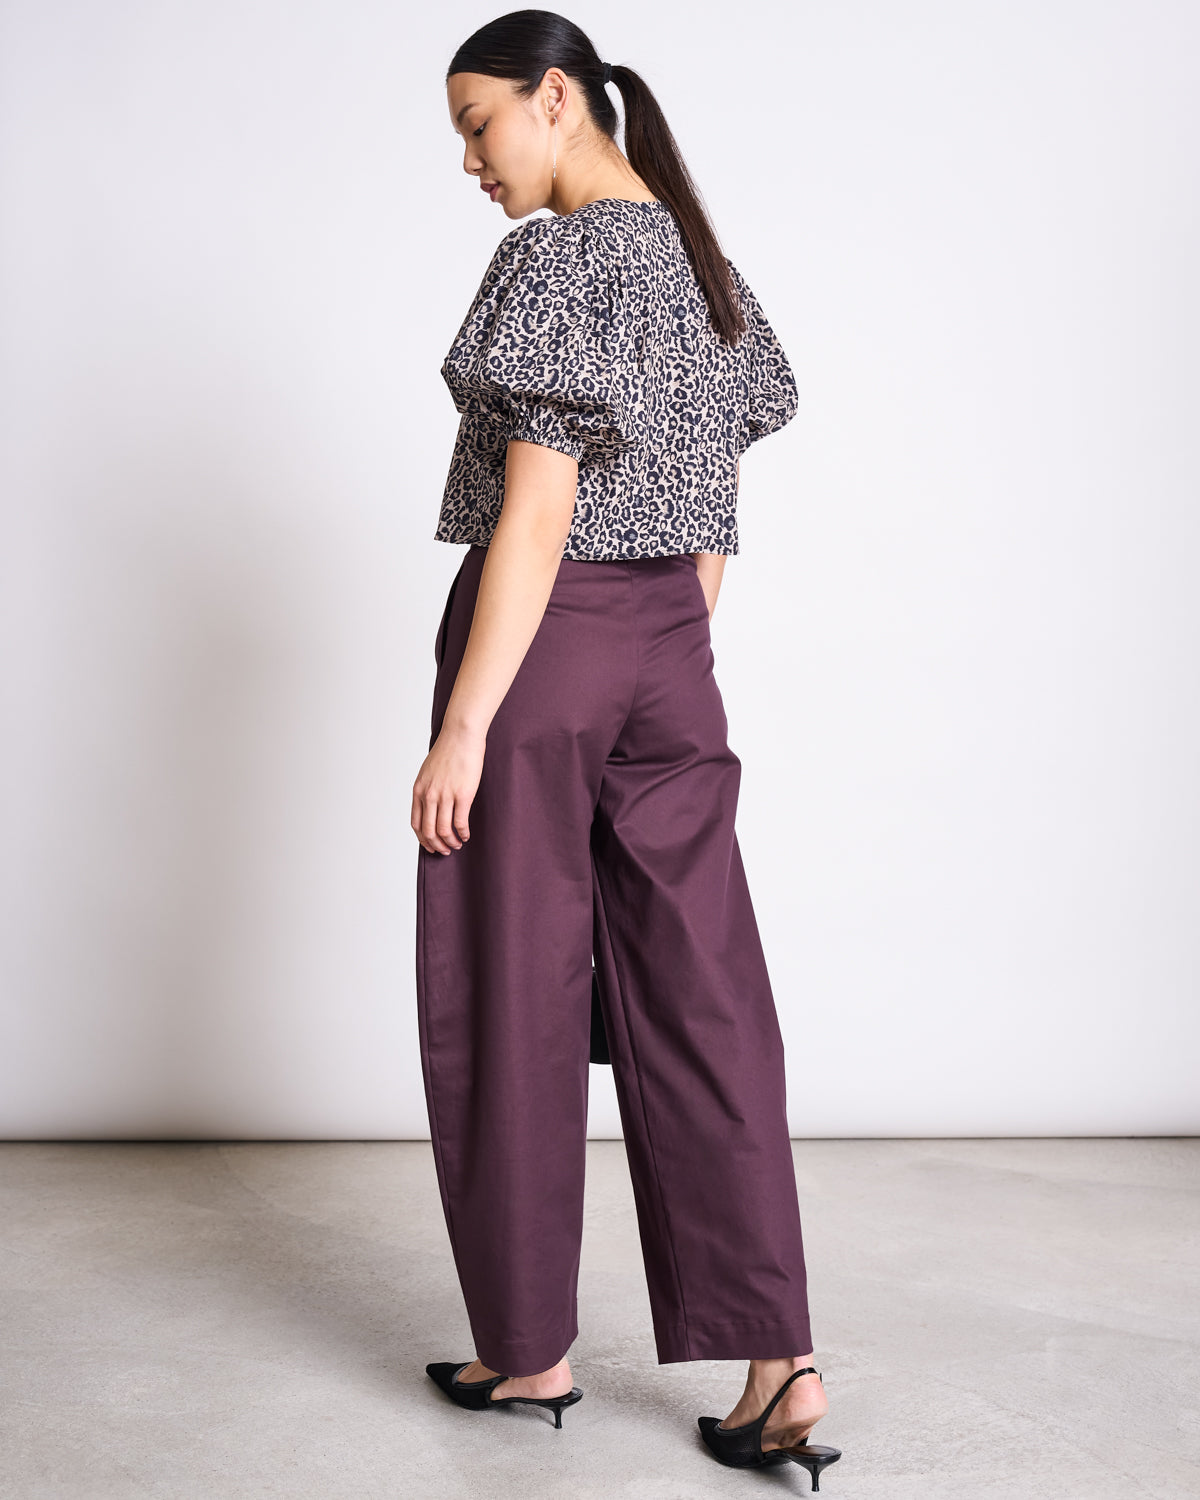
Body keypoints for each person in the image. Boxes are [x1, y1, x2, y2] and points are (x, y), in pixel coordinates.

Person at [415, 12, 841, 1487]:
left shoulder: (560, 258)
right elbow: (719, 485)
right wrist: (673, 634)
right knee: (704, 986)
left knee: (511, 977)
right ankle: (777, 1357)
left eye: (480, 125)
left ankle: (529, 1347)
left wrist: (469, 722)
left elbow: (535, 514)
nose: (470, 160)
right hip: (673, 645)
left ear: (554, 98)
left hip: (544, 645)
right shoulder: (696, 259)